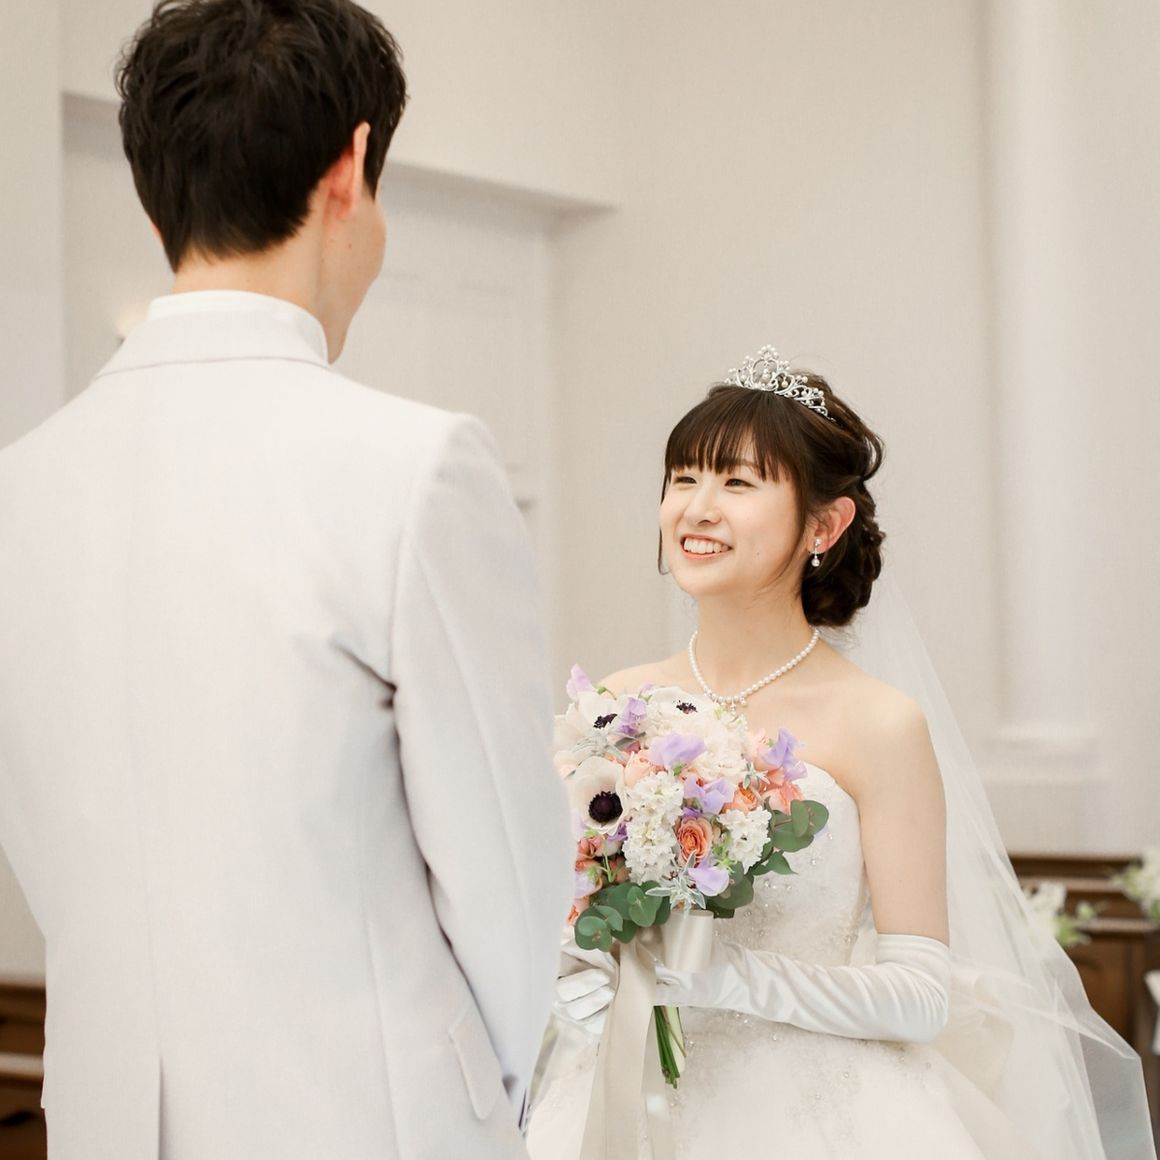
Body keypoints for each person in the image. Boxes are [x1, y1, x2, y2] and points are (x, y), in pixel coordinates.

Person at [0, 2, 570, 1158]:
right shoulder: (418, 467)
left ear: (154, 195)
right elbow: (510, 884)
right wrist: (501, 1104)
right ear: (350, 170)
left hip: (108, 1122)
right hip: (374, 1119)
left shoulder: (21, 485)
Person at [527, 346, 1155, 1158]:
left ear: (823, 525)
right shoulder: (616, 704)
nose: (697, 508)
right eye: (683, 478)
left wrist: (731, 980)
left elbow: (920, 996)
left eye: (737, 483)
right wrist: (573, 979)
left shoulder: (879, 723)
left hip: (815, 1115)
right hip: (622, 1095)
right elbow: (562, 907)